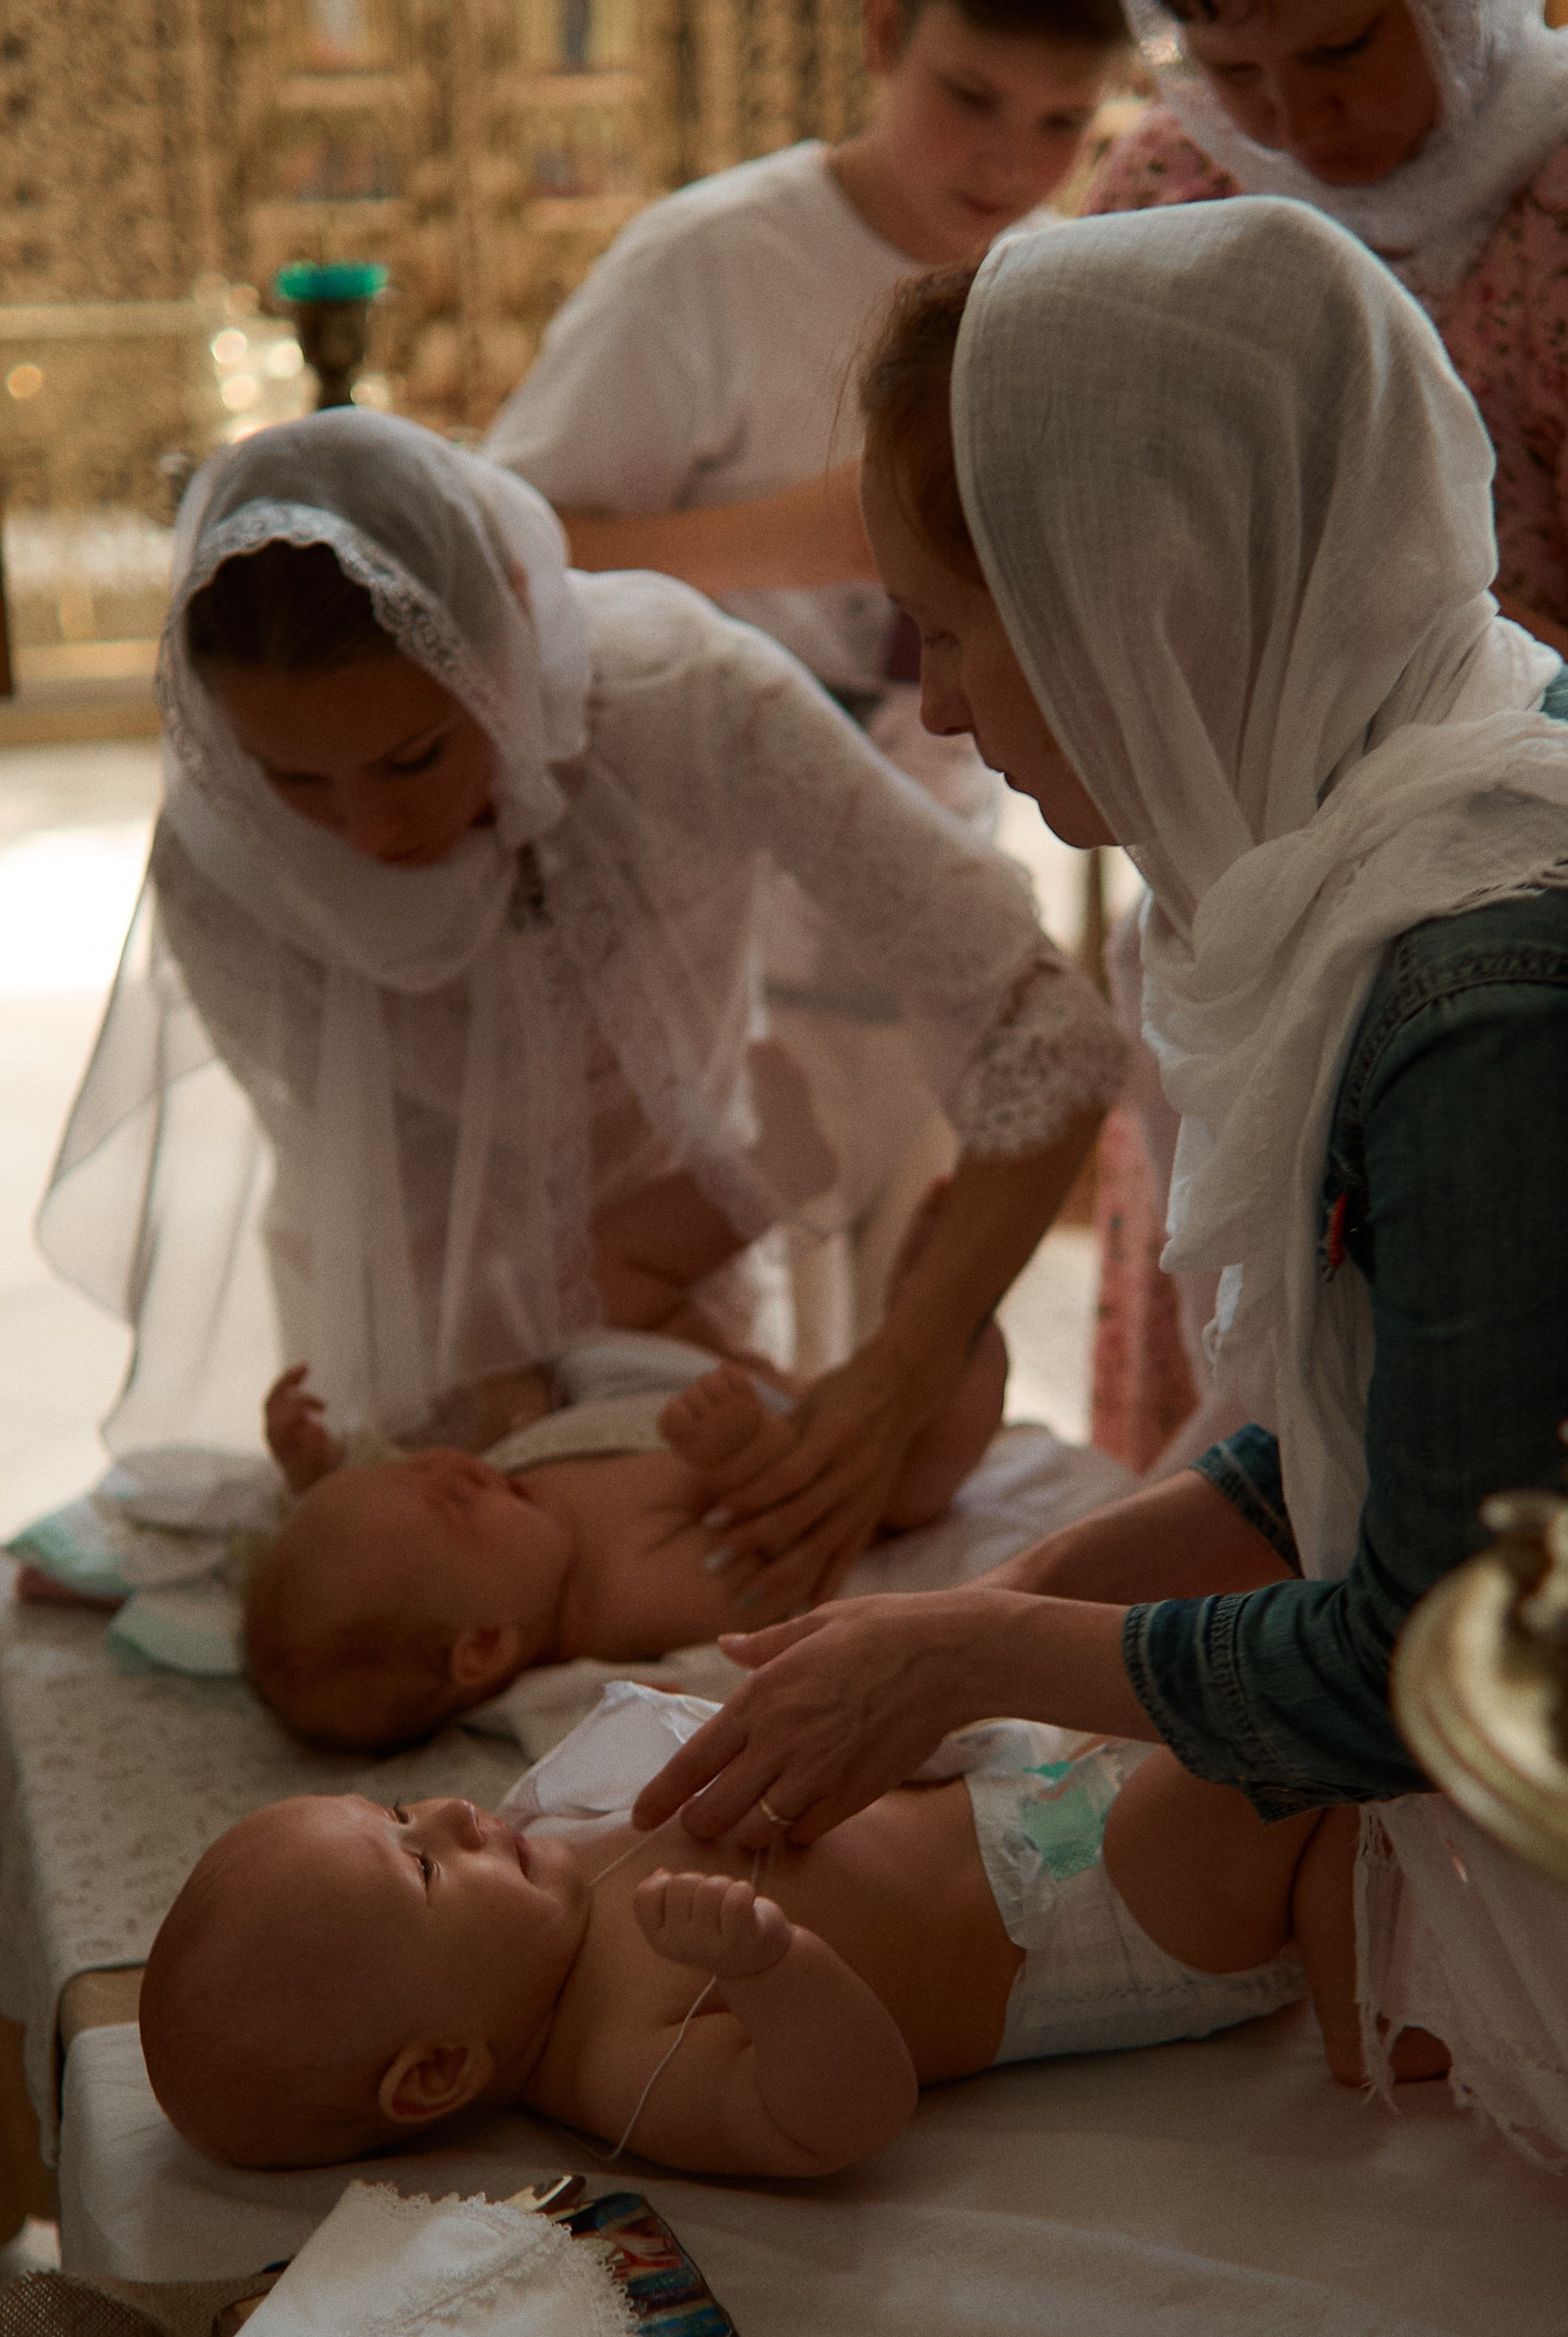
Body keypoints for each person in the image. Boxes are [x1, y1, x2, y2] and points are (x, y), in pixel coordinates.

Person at [620, 204, 1568, 1879]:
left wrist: (975, 1656)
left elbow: (1441, 1668)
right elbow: (1430, 1419)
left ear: (1150, 600)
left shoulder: (1514, 992)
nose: (942, 702)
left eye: (954, 630)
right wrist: (1013, 1600)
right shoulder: (1430, 765)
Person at [39, 410, 1126, 1618]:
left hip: (673, 1308)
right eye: (295, 776)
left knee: (801, 1494)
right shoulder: (227, 859)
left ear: (510, 621)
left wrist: (904, 1366)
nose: (368, 829)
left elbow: (1043, 1023)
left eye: (412, 757)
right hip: (411, 1322)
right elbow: (373, 1176)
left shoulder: (680, 701)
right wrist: (413, 1447)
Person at [1078, 0, 1568, 1467]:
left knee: (1480, 1503)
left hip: (1543, 989)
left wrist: (1363, 594)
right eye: (1230, 66)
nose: (1294, 121)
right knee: (1231, 1480)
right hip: (1248, 975)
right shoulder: (1172, 189)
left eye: (1342, 48)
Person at [139, 1702, 1429, 2181]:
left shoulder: (556, 1848)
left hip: (1030, 1785)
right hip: (1104, 1912)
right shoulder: (617, 2060)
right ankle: (1352, 2008)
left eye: (397, 1809)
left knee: (1221, 1648)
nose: (450, 1812)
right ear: (438, 2068)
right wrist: (773, 1970)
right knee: (1300, 1724)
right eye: (423, 1864)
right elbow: (842, 2120)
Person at [484, 0, 1127, 827]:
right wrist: (800, 540)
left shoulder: (1061, 286)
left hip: (944, 816)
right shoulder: (706, 262)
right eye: (969, 97)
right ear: (884, 28)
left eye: (1062, 121)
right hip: (692, 816)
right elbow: (504, 557)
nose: (1006, 163)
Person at [248, 1198, 1009, 1755]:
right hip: (815, 1451)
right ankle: (930, 1312)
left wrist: (318, 1473)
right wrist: (740, 1449)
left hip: (644, 1382)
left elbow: (382, 1526)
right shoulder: (625, 1598)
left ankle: (758, 1172)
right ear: (484, 1647)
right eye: (450, 1498)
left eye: (410, 1469)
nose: (451, 1465)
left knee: (590, 1268)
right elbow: (776, 1556)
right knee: (943, 1440)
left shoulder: (499, 1529)